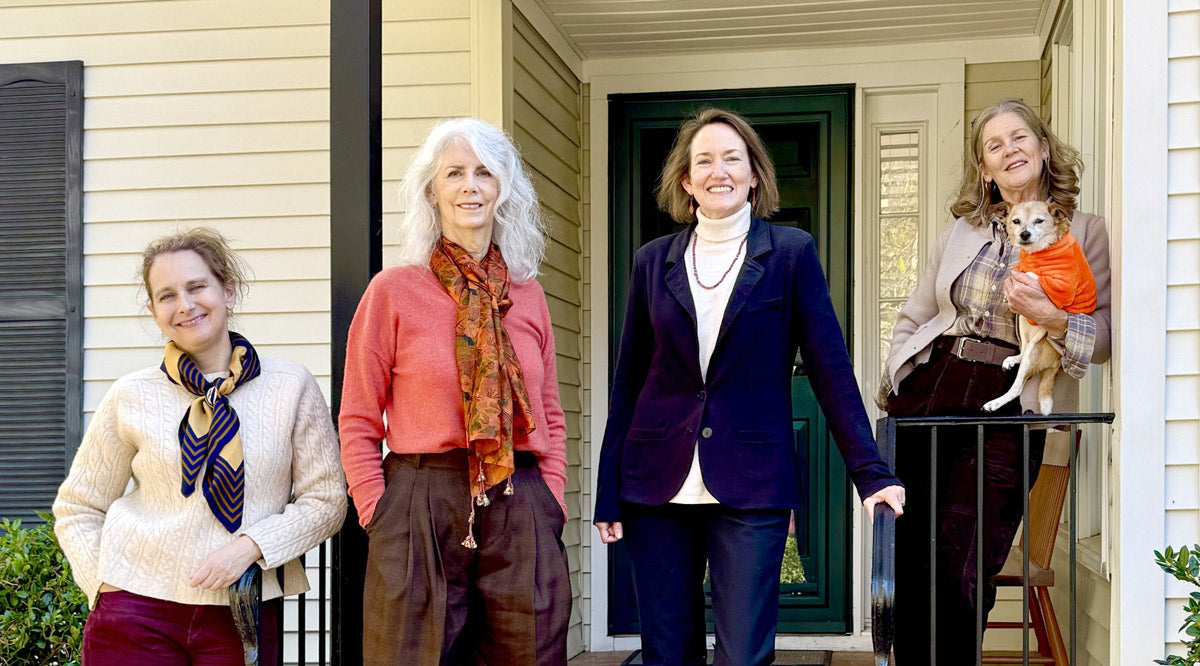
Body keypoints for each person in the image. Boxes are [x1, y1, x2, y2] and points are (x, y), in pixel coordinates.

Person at [593, 107, 905, 666]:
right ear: (686, 180)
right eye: (704, 161)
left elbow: (831, 371)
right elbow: (628, 382)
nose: (719, 171)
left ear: (754, 174)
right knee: (667, 655)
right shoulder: (651, 262)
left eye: (732, 159)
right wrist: (607, 492)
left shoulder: (790, 253)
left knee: (743, 656)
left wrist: (871, 475)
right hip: (654, 484)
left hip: (753, 482)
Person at [877, 97, 1111, 663]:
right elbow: (915, 314)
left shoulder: (1085, 232)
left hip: (1009, 398)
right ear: (984, 168)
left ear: (1044, 148)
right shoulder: (961, 232)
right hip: (932, 388)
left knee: (966, 561)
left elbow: (1103, 336)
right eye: (994, 146)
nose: (1009, 151)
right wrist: (895, 381)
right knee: (911, 558)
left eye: (1019, 138)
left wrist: (1053, 317)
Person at [53, 227, 347, 665]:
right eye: (167, 295)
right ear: (154, 311)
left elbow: (325, 500)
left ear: (228, 290)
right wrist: (102, 580)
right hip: (134, 613)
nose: (185, 305)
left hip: (242, 611)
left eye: (196, 287)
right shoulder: (130, 394)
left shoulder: (291, 386)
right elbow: (78, 505)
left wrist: (251, 546)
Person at [339, 117, 570, 666]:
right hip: (422, 498)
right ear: (431, 191)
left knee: (530, 653)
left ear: (503, 190)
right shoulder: (393, 291)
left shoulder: (528, 295)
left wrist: (552, 501)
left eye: (484, 173)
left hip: (520, 498)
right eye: (455, 173)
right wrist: (378, 511)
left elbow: (551, 414)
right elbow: (358, 418)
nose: (471, 186)